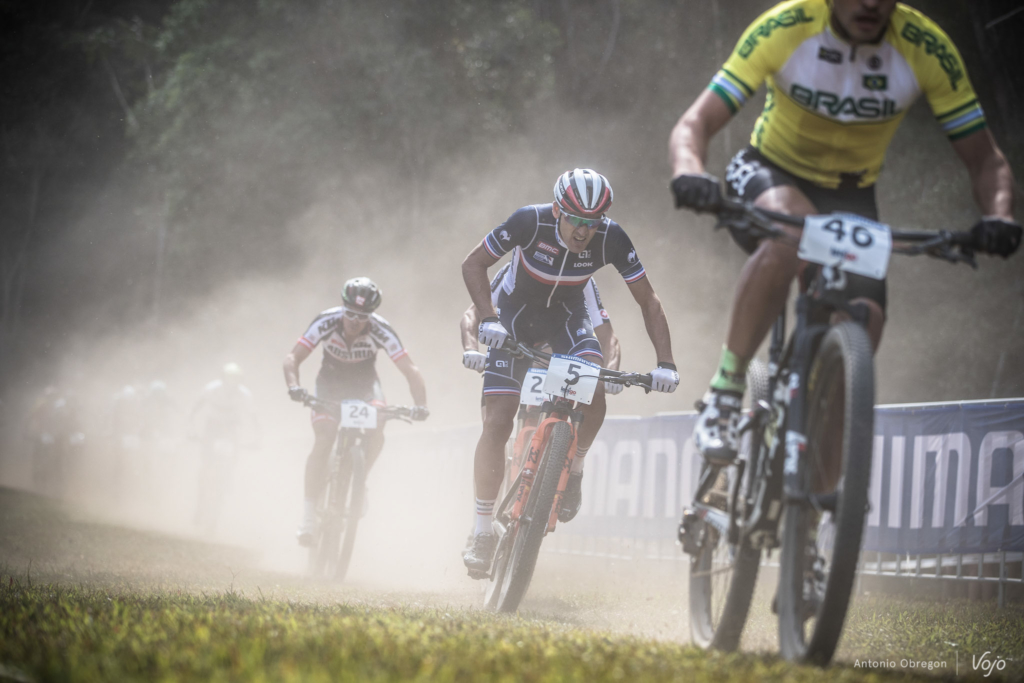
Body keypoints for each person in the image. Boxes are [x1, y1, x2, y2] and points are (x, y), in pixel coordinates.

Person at [668, 0, 1021, 465]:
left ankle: (818, 497)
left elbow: (985, 158)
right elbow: (694, 124)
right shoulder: (787, 27)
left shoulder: (925, 48)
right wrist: (689, 171)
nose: (870, 3)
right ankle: (726, 392)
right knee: (789, 236)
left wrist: (999, 216)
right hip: (769, 170)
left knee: (865, 322)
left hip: (851, 196)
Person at [461, 167, 680, 576]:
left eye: (593, 222)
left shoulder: (612, 237)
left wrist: (665, 362)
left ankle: (574, 467)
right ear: (558, 210)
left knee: (593, 387)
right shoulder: (530, 220)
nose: (583, 231)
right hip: (513, 319)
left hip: (566, 320)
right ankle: (481, 531)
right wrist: (489, 319)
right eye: (576, 219)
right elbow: (473, 264)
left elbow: (648, 300)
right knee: (498, 421)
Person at [284, 277, 429, 546]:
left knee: (379, 424)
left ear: (370, 315)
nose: (354, 321)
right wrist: (294, 387)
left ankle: (359, 483)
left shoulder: (380, 329)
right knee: (324, 438)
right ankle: (308, 516)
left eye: (362, 316)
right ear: (342, 308)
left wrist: (421, 405)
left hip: (365, 388)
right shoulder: (326, 321)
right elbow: (293, 357)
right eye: (350, 313)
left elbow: (410, 369)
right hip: (329, 386)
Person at [460, 261, 622, 384]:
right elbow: (472, 313)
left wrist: (611, 373)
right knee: (495, 414)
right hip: (515, 343)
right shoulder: (514, 269)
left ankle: (558, 414)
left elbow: (608, 337)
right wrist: (471, 349)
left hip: (551, 347)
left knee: (580, 390)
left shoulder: (581, 277)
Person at [189, 363, 260, 530]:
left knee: (230, 465)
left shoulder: (245, 394)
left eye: (236, 379)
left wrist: (258, 438)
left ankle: (226, 479)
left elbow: (253, 417)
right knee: (206, 466)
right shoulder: (211, 389)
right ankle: (200, 503)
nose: (232, 382)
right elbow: (195, 408)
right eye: (229, 378)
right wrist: (190, 428)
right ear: (222, 378)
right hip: (212, 428)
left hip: (231, 429)